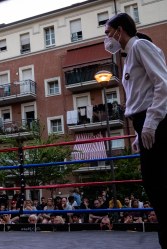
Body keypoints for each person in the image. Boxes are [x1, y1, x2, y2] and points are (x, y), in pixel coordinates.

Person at [105, 13, 167, 249]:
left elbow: (162, 83)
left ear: (120, 30)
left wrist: (151, 122)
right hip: (145, 122)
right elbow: (139, 96)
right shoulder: (131, 55)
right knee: (154, 183)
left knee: (158, 183)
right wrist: (138, 132)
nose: (107, 39)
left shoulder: (141, 46)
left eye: (108, 33)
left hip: (156, 120)